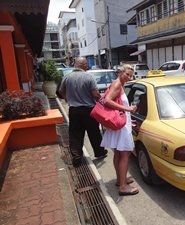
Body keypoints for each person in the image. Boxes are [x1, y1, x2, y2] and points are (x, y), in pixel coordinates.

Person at [59, 57, 107, 167]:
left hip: (74, 110)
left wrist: (68, 99)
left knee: (75, 134)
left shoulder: (67, 77)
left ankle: (76, 158)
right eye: (86, 65)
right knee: (94, 133)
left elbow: (61, 91)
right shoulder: (88, 76)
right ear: (84, 65)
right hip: (89, 110)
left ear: (75, 65)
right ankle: (99, 152)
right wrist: (101, 102)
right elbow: (96, 94)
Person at [101, 64, 139, 196]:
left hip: (121, 124)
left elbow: (115, 104)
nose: (129, 77)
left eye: (131, 75)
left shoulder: (118, 84)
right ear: (120, 72)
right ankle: (123, 187)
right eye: (127, 74)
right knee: (125, 155)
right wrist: (127, 109)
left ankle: (120, 180)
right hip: (121, 126)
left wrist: (128, 119)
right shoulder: (117, 84)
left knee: (118, 153)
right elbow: (107, 101)